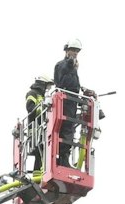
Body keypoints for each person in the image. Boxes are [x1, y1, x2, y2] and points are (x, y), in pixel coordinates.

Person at [51, 39, 95, 168]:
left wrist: (84, 90)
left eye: (76, 51)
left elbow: (74, 84)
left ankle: (64, 160)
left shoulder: (73, 69)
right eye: (73, 50)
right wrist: (71, 62)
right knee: (65, 130)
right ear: (66, 50)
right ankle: (62, 161)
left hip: (72, 101)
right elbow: (63, 75)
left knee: (69, 130)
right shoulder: (61, 65)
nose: (75, 53)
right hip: (64, 101)